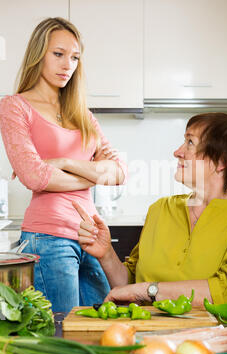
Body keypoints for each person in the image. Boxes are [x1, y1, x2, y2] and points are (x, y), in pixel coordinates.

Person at [73, 113, 227, 307]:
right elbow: (130, 285)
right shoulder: (161, 209)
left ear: (221, 161)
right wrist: (106, 254)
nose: (177, 152)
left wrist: (150, 290)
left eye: (190, 142)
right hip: (150, 336)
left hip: (217, 339)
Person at [0, 17, 127, 312]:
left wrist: (65, 162)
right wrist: (92, 175)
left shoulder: (82, 114)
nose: (67, 65)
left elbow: (119, 170)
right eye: (58, 54)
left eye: (74, 57)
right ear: (38, 54)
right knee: (62, 337)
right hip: (48, 238)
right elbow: (35, 176)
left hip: (90, 236)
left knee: (100, 329)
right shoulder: (14, 107)